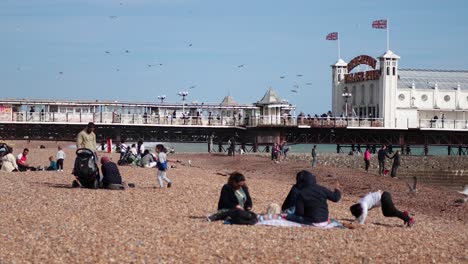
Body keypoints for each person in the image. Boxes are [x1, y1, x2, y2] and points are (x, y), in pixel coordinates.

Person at [350, 190, 415, 227]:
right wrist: (356, 219)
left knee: (393, 211)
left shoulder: (363, 204)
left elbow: (364, 214)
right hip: (383, 197)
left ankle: (409, 219)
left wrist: (361, 222)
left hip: (384, 196)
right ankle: (404, 215)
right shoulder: (360, 202)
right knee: (386, 213)